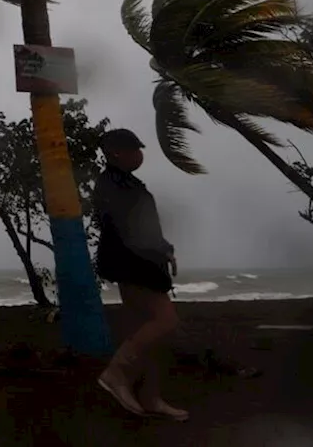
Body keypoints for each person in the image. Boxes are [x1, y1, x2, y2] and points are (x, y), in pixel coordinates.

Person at [92, 128, 189, 422]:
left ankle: (150, 397)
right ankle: (116, 372)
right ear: (116, 153)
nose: (140, 155)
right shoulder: (112, 184)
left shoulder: (128, 182)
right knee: (165, 320)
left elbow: (147, 226)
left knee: (146, 331)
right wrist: (158, 251)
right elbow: (130, 229)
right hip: (133, 264)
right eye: (135, 149)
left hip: (141, 261)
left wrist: (165, 249)